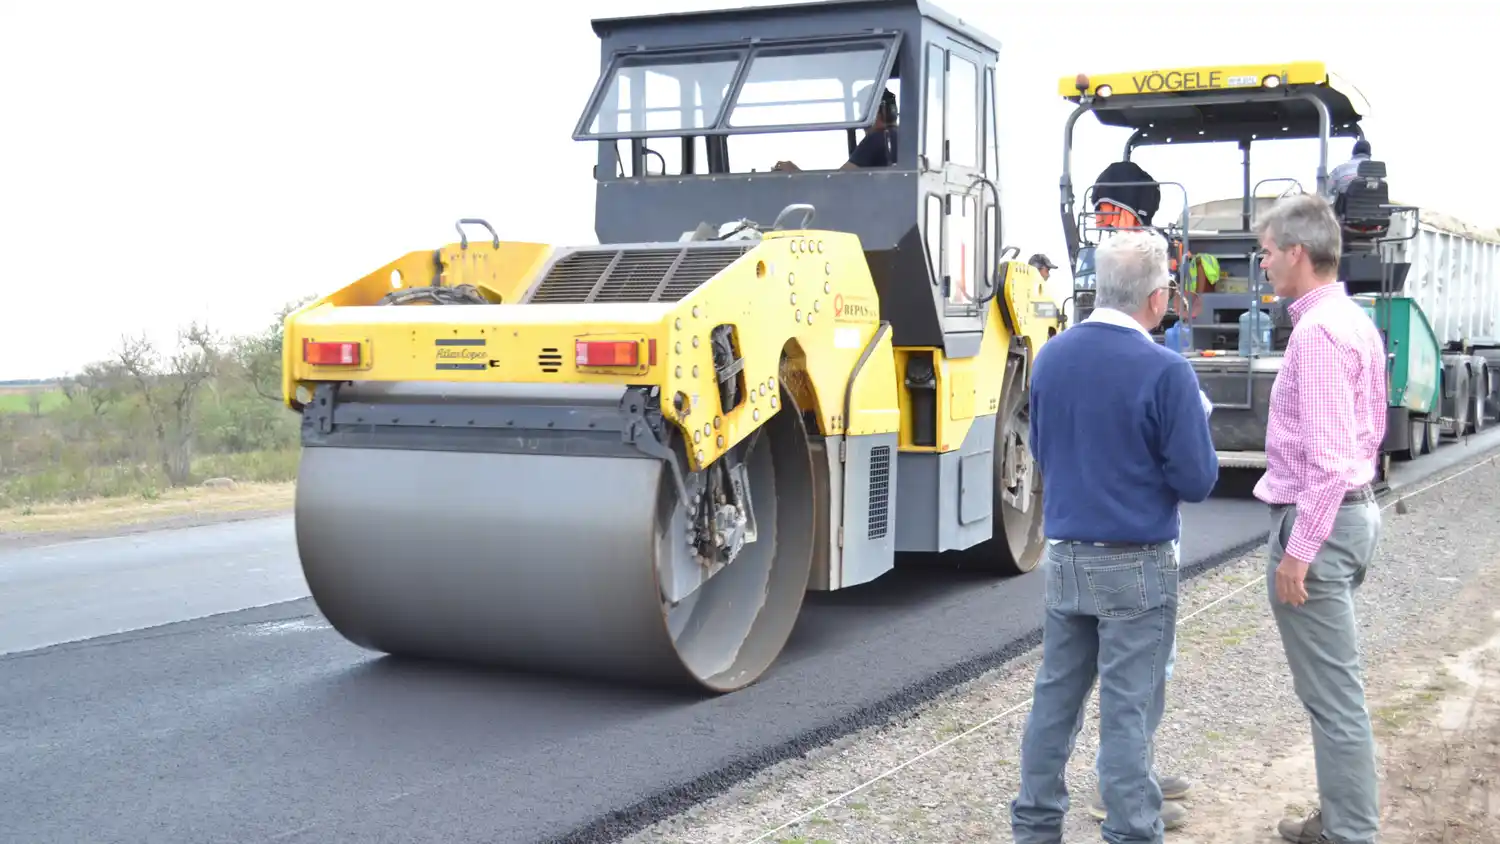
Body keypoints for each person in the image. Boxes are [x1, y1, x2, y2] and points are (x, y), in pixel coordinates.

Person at [1011, 229, 1219, 844]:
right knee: (1128, 709)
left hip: (1067, 554)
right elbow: (1197, 479)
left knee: (1055, 698)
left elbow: (1044, 448)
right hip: (1138, 559)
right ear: (1158, 299)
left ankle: (1036, 824)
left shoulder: (1051, 358)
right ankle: (1131, 830)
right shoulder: (1166, 372)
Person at [1252, 193, 1387, 844]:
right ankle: (1339, 819)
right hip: (1351, 520)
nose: (1264, 264)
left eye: (1268, 252)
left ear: (1298, 254)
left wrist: (1299, 553)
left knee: (1334, 699)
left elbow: (1332, 464)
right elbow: (1375, 430)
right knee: (1333, 691)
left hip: (1322, 529)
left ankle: (1350, 833)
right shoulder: (1352, 319)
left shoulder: (1319, 333)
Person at [773, 88, 897, 173]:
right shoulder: (901, 137)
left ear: (881, 111)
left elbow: (838, 182)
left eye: (864, 113)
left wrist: (796, 175)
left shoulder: (877, 139)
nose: (863, 123)